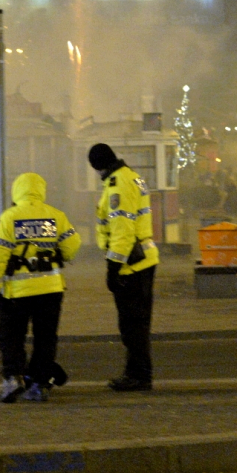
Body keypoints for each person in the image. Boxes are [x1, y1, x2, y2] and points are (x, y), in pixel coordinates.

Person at [0, 173, 80, 403]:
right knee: (46, 337)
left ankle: (13, 378)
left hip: (18, 291)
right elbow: (72, 246)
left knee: (11, 335)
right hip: (50, 288)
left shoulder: (10, 217)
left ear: (16, 191)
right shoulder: (56, 216)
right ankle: (39, 384)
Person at [89, 143, 159, 391]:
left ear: (98, 166)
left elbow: (122, 229)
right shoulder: (133, 177)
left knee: (132, 324)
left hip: (131, 264)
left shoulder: (119, 183)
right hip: (143, 259)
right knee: (137, 322)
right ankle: (137, 372)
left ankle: (139, 375)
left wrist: (113, 266)